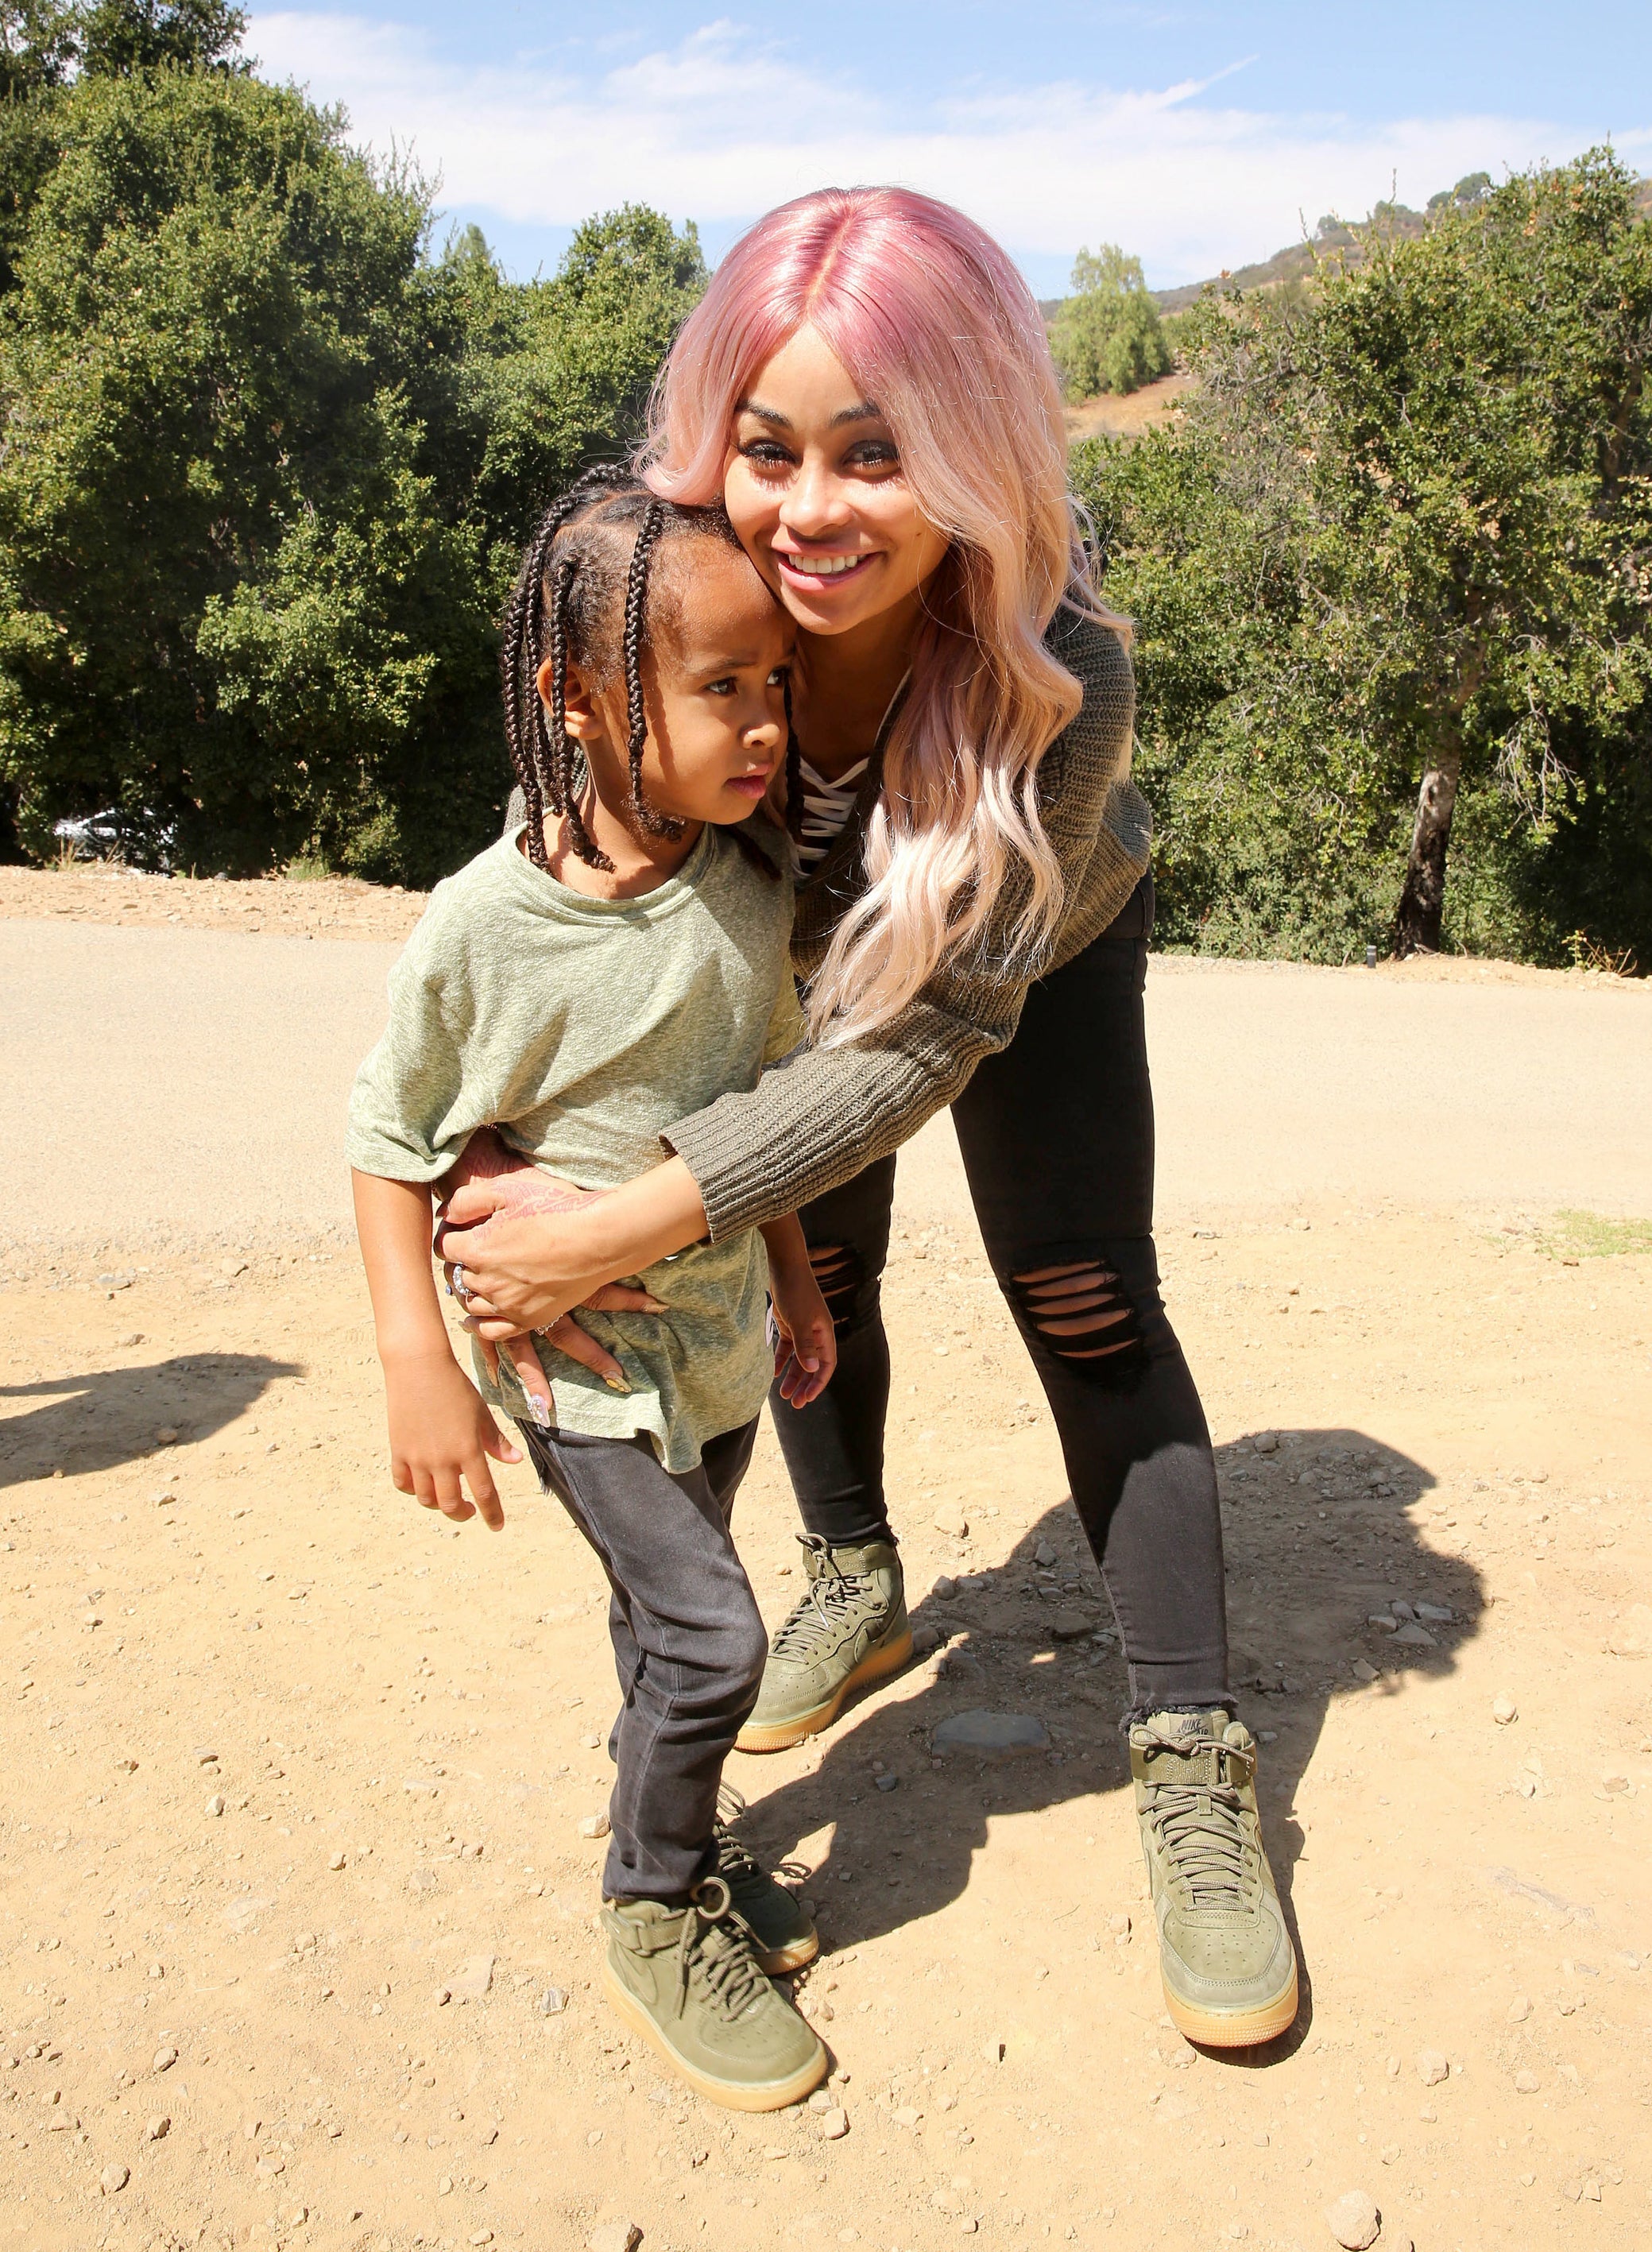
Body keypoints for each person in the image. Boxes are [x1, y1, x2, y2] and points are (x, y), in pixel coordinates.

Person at [440, 190, 1301, 2049]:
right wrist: (502, 1135)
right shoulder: (660, 574)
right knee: (804, 1262)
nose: (808, 510)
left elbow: (927, 1040)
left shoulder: (1060, 660)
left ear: (973, 453)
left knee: (1079, 1285)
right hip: (778, 978)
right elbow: (559, 864)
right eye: (767, 448)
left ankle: (1190, 1754)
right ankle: (857, 1577)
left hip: (1019, 956)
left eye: (875, 452)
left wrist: (618, 1218)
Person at [346, 470, 840, 2110]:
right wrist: (415, 1356)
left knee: (659, 1627)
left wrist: (793, 1272)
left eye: (772, 682)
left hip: (712, 1352)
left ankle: (679, 1839)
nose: (762, 721)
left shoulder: (749, 890)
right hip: (573, 1372)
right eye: (719, 687)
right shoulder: (484, 927)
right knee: (712, 1639)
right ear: (573, 699)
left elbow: (764, 1104)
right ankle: (648, 1901)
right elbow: (387, 1134)